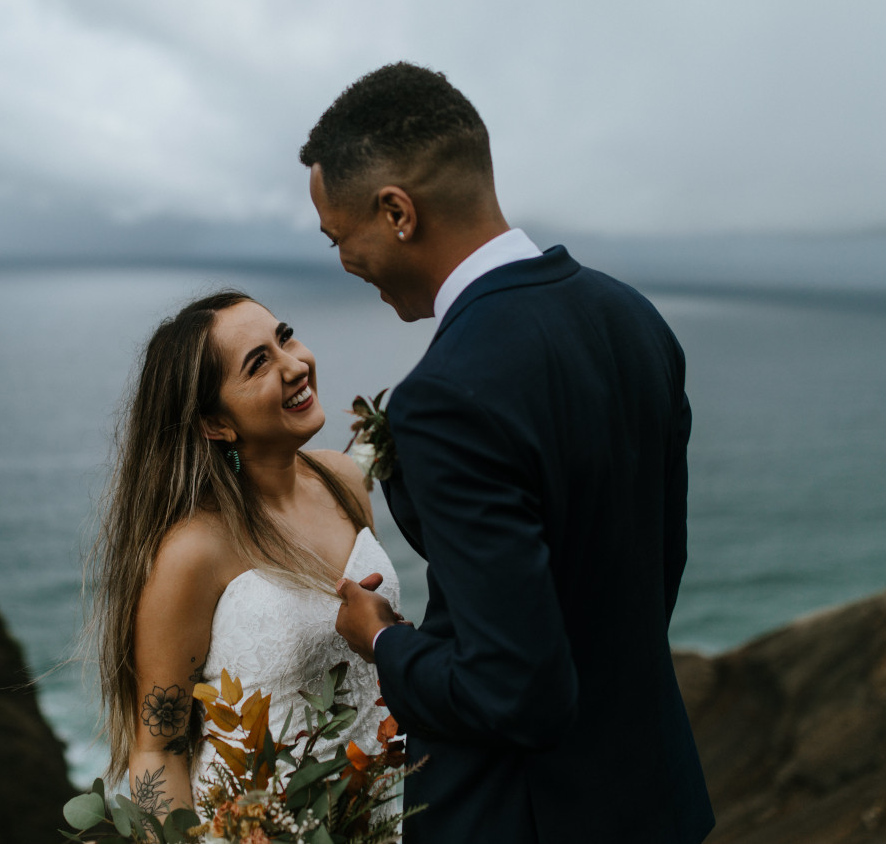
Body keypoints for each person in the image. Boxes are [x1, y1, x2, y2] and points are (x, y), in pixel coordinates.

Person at [302, 63, 715, 843]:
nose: (345, 262)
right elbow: (659, 569)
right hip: (652, 797)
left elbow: (514, 690)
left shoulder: (446, 393)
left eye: (340, 238)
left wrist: (383, 640)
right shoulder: (633, 317)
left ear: (397, 211)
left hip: (529, 815)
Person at [90, 290, 400, 817]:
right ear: (216, 425)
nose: (295, 365)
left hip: (387, 809)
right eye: (259, 364)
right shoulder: (192, 552)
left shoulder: (346, 481)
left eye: (284, 339)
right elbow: (157, 748)